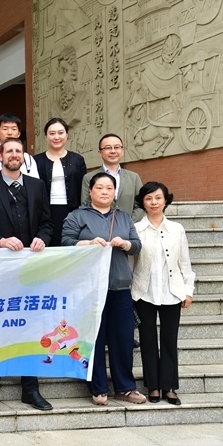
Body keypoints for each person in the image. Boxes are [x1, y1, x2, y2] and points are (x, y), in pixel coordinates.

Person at [0, 138, 54, 413]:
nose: (13, 155)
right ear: (0, 155)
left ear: (24, 156)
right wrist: (0, 241)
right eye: (9, 151)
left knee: (31, 329)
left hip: (30, 270)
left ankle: (31, 389)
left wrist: (41, 237)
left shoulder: (37, 186)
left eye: (18, 151)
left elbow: (48, 223)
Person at [62, 173, 144, 406]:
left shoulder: (125, 218)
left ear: (115, 193)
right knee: (93, 338)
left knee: (123, 339)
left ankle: (125, 387)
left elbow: (137, 246)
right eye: (100, 187)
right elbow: (65, 242)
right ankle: (98, 388)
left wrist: (125, 243)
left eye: (109, 188)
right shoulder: (78, 216)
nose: (105, 192)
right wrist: (87, 243)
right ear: (91, 191)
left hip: (119, 285)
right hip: (89, 288)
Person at [132, 182, 195, 405]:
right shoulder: (136, 229)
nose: (154, 202)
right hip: (143, 293)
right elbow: (131, 263)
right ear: (143, 202)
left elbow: (184, 263)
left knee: (169, 340)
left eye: (158, 198)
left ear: (166, 200)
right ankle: (154, 387)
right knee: (148, 341)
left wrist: (188, 290)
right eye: (149, 199)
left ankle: (169, 387)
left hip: (172, 292)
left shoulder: (177, 229)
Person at [33, 118, 87, 246]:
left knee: (70, 244)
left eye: (60, 133)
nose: (56, 137)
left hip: (72, 210)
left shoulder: (77, 159)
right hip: (45, 211)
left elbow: (83, 186)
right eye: (52, 133)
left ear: (67, 135)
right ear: (46, 136)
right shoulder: (36, 160)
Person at [81, 133, 144, 221]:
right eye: (108, 148)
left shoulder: (134, 177)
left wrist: (128, 224)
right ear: (100, 153)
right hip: (99, 230)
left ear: (122, 151)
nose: (113, 151)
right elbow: (86, 205)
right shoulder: (89, 178)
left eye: (117, 147)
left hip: (128, 229)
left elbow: (141, 205)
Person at [0, 113, 39, 178]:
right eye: (5, 129)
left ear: (19, 134)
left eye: (14, 129)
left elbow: (34, 183)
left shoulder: (28, 159)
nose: (10, 133)